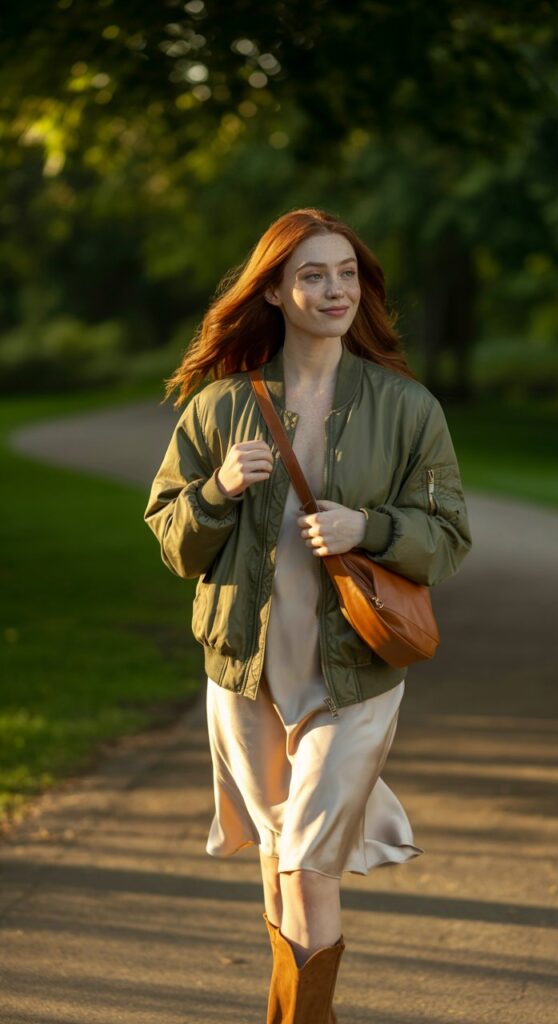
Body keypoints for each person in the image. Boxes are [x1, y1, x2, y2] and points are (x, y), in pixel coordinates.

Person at [143, 207, 472, 1022]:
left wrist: (374, 528)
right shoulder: (219, 408)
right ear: (278, 291)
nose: (335, 290)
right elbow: (172, 541)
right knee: (277, 861)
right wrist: (218, 491)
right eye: (314, 275)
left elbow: (451, 535)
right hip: (247, 674)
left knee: (305, 868)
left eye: (348, 274)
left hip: (355, 676)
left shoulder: (407, 408)